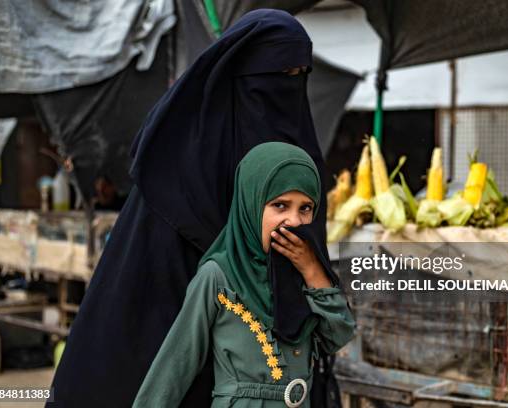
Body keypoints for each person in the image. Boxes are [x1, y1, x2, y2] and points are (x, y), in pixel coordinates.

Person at [47, 9, 340, 407]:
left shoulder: (297, 163)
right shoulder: (181, 173)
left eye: (298, 77)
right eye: (275, 78)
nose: (287, 91)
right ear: (239, 78)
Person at [133, 142, 355, 407]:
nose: (294, 221)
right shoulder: (218, 276)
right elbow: (176, 365)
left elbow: (337, 337)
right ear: (251, 204)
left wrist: (311, 270)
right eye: (280, 205)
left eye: (305, 208)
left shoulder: (304, 275)